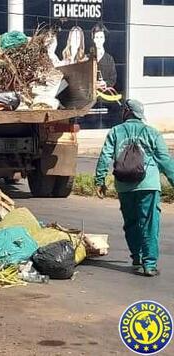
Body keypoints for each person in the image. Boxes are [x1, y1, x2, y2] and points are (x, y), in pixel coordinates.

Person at [95, 99, 174, 277]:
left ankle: (136, 259)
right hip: (149, 185)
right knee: (149, 224)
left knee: (131, 223)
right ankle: (150, 264)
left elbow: (104, 157)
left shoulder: (115, 131)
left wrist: (99, 181)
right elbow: (165, 161)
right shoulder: (152, 132)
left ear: (126, 112)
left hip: (124, 186)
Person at [92, 23, 117, 89]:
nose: (99, 40)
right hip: (91, 96)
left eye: (101, 37)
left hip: (104, 95)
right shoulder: (89, 58)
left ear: (104, 39)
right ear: (94, 39)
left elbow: (113, 79)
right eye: (97, 37)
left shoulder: (109, 59)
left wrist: (105, 83)